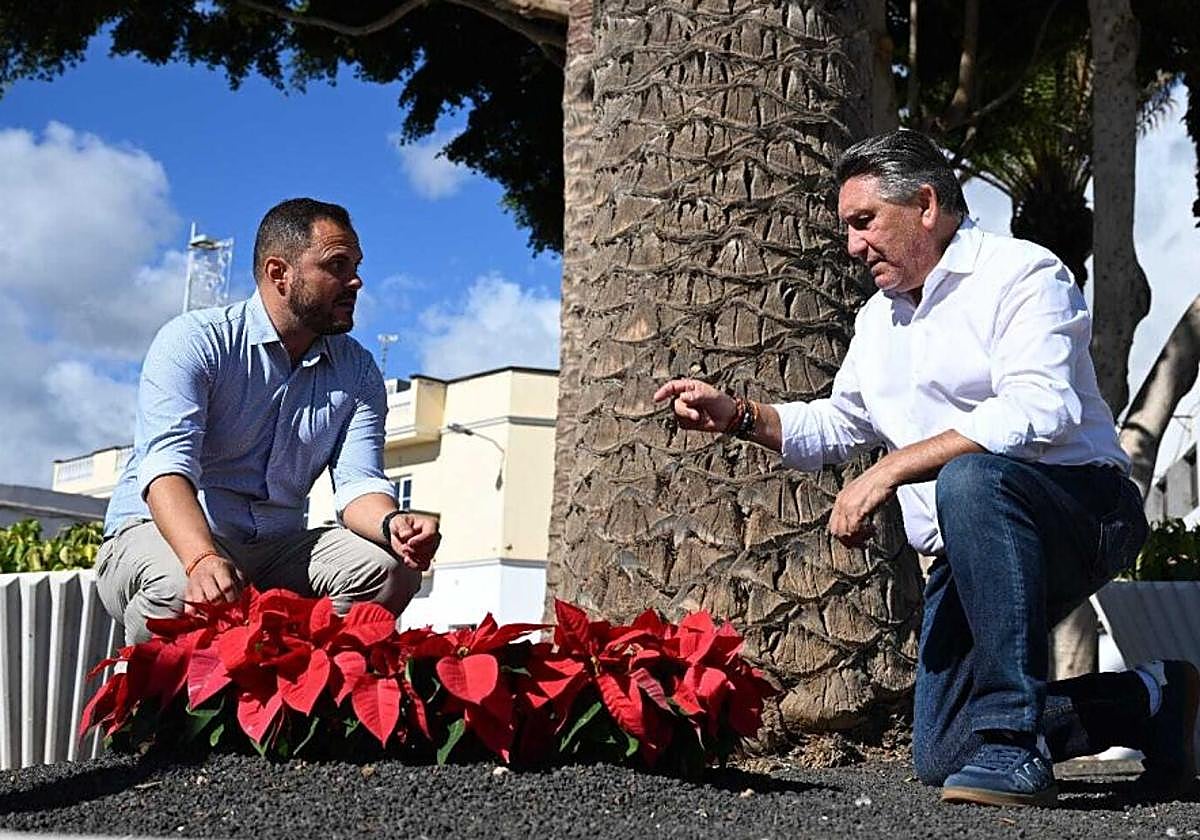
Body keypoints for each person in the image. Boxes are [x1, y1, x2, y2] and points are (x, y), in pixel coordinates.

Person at [654, 130, 1197, 807]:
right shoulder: (878, 322)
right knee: (945, 753)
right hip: (969, 543)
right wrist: (738, 414)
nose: (853, 246)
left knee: (971, 478)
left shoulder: (1023, 273)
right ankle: (1151, 698)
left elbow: (1040, 408)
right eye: (847, 229)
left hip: (1084, 511)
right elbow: (838, 422)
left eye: (863, 222)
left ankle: (1014, 744)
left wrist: (890, 472)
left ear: (927, 205)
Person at [97, 198, 439, 645]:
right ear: (279, 273)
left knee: (389, 572)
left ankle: (297, 696)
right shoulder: (195, 341)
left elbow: (358, 485)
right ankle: (152, 711)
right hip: (164, 532)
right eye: (337, 265)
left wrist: (393, 522)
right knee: (182, 591)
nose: (355, 281)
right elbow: (166, 468)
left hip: (275, 545)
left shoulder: (358, 370)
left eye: (355, 265)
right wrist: (201, 559)